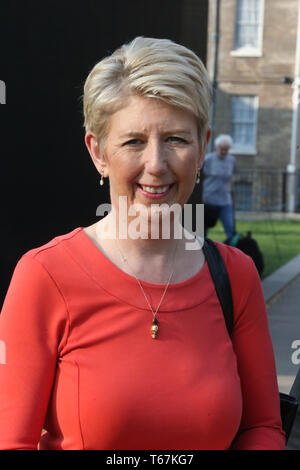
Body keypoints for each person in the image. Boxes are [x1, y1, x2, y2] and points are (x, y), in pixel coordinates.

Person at [0, 37, 286, 450]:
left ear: (204, 147)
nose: (156, 164)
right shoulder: (45, 276)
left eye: (176, 139)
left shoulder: (236, 276)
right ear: (98, 152)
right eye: (134, 141)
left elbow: (262, 427)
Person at [202, 134, 236, 240]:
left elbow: (231, 180)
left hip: (225, 200)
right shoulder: (208, 160)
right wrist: (200, 196)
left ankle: (231, 249)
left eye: (226, 149)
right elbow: (200, 179)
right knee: (203, 229)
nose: (224, 152)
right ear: (217, 148)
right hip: (208, 199)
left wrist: (232, 197)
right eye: (222, 149)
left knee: (230, 227)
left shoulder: (231, 160)